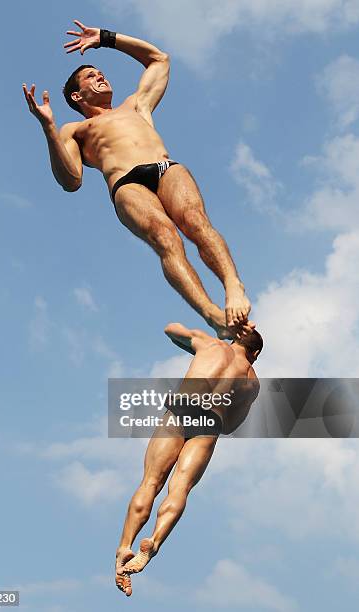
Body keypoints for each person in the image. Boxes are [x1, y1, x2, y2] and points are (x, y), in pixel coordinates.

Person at [23, 20, 253, 339]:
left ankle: (233, 285)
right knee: (165, 237)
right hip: (126, 184)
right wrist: (49, 129)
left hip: (164, 168)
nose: (101, 75)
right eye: (91, 76)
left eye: (101, 73)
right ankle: (214, 315)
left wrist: (106, 38)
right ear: (77, 96)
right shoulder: (75, 130)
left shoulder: (136, 104)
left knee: (196, 222)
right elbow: (71, 180)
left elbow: (160, 59)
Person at [115, 322, 262, 596]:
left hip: (180, 410)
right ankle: (154, 542)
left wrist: (212, 335)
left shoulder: (208, 344)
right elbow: (232, 426)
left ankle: (125, 546)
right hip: (209, 424)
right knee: (180, 488)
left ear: (235, 338)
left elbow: (170, 330)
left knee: (150, 482)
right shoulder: (252, 382)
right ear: (255, 354)